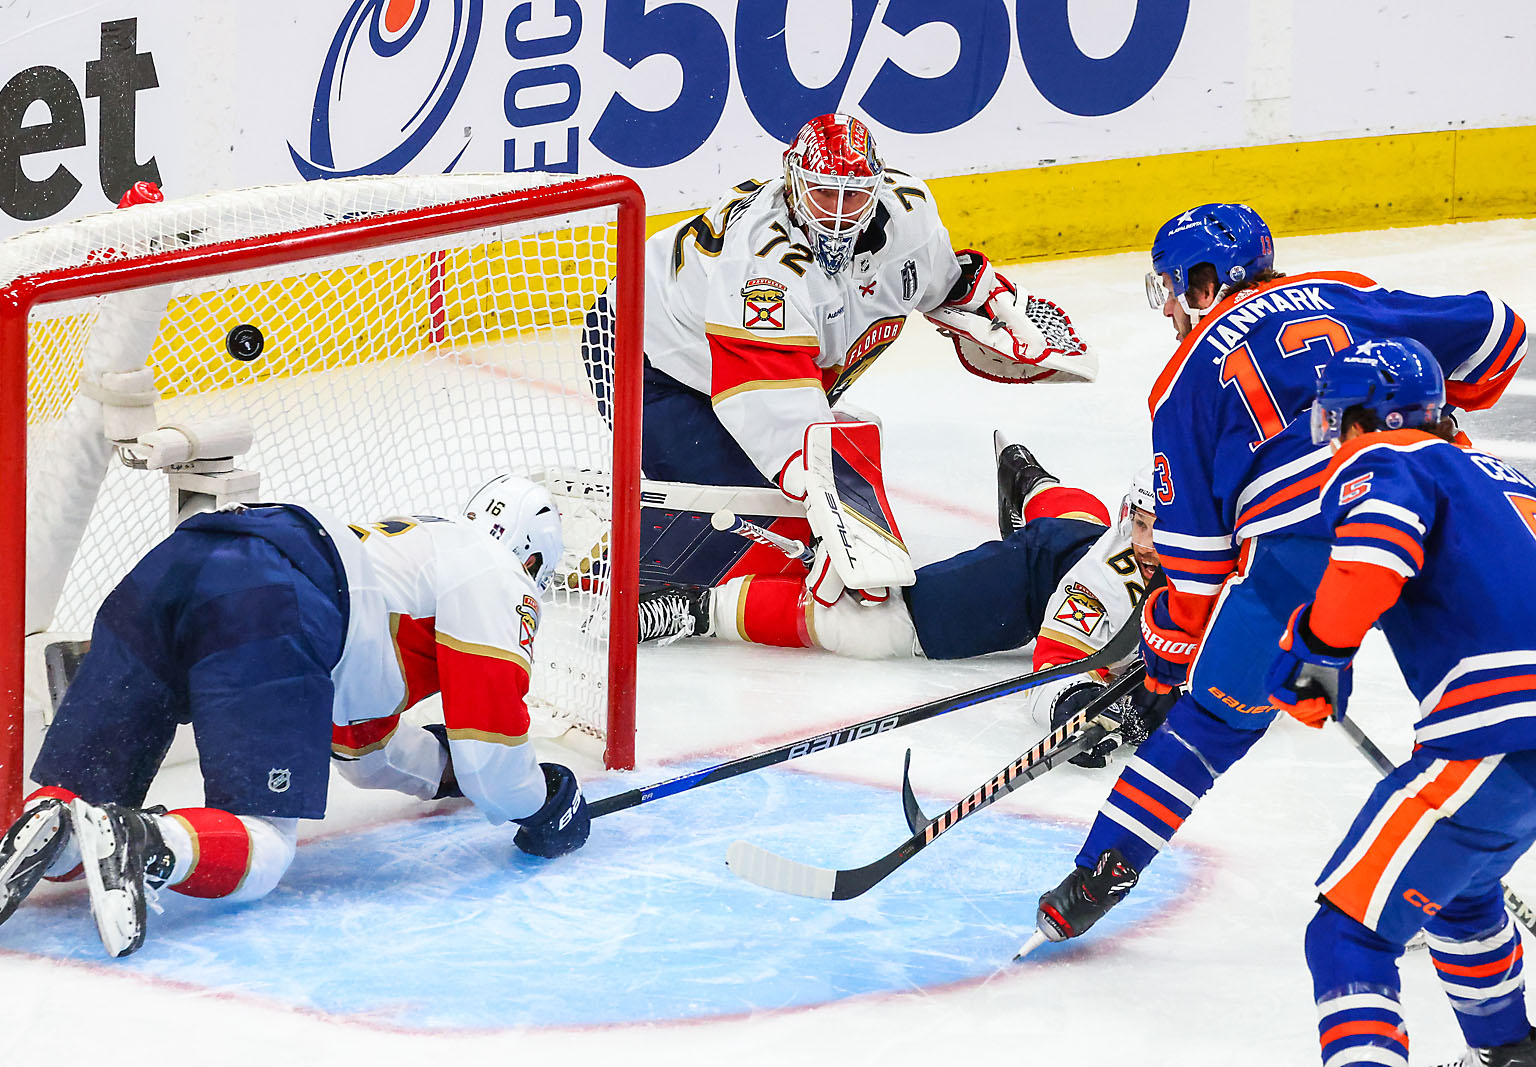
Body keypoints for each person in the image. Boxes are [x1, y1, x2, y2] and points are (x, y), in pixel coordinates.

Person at [1028, 203, 1529, 948]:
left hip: (1293, 542)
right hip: (1430, 501)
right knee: (1471, 674)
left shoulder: (1182, 381)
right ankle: (1444, 869)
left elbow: (1195, 570)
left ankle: (1099, 873)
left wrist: (1166, 660)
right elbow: (1501, 332)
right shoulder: (1342, 288)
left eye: (1171, 285)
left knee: (1210, 725)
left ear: (1205, 282)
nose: (1168, 305)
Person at [0, 475, 591, 958]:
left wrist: (439, 769)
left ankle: (61, 822)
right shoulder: (497, 573)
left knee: (84, 800)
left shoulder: (409, 554)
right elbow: (492, 757)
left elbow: (363, 748)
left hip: (177, 564)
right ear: (533, 558)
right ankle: (146, 840)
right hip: (267, 598)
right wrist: (539, 805)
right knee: (261, 844)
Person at [589, 112, 1090, 608]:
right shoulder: (763, 271)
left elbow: (945, 283)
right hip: (643, 355)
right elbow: (777, 417)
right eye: (823, 193)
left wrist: (1001, 310)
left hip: (739, 362)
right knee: (774, 530)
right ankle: (632, 563)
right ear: (792, 183)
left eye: (853, 196)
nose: (838, 213)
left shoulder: (907, 214)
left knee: (810, 512)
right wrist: (833, 517)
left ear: (878, 187)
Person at [1267, 340, 1536, 1067]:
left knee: (1346, 934)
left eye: (1336, 421)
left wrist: (1318, 651)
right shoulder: (1503, 477)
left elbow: (1377, 551)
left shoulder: (1389, 458)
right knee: (1461, 894)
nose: (1331, 439)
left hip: (1502, 729)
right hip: (1516, 735)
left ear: (1370, 419)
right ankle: (1509, 1055)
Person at [637, 436, 1160, 766]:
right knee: (872, 626)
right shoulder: (1111, 577)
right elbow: (1060, 662)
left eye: (1156, 527)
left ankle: (1029, 481)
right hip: (1030, 580)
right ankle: (702, 607)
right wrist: (1072, 706)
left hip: (1077, 543)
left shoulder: (1230, 556)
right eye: (1138, 523)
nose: (1144, 544)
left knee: (1077, 531)